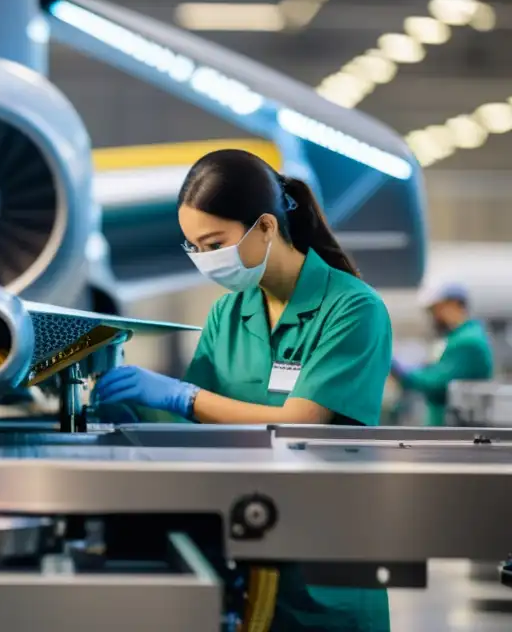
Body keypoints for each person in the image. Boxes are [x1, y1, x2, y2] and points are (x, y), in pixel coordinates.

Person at [94, 149, 392, 632]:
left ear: (267, 228)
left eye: (214, 243)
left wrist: (180, 395)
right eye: (193, 247)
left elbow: (302, 423)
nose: (205, 260)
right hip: (245, 549)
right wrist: (129, 403)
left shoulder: (353, 309)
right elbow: (191, 429)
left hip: (327, 563)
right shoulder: (228, 314)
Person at [392, 282, 493, 426]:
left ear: (453, 305)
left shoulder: (468, 342)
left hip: (455, 433)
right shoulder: (458, 337)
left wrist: (402, 372)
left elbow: (439, 384)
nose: (434, 317)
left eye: (436, 310)